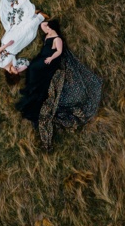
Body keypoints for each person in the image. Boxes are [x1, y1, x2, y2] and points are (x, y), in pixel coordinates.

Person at [11, 19, 103, 150]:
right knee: (32, 68)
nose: (45, 28)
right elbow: (42, 25)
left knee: (33, 69)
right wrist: (44, 21)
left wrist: (51, 58)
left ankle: (34, 87)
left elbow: (59, 51)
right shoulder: (48, 34)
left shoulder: (57, 38)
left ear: (51, 27)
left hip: (49, 60)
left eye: (47, 27)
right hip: (43, 57)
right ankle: (32, 85)